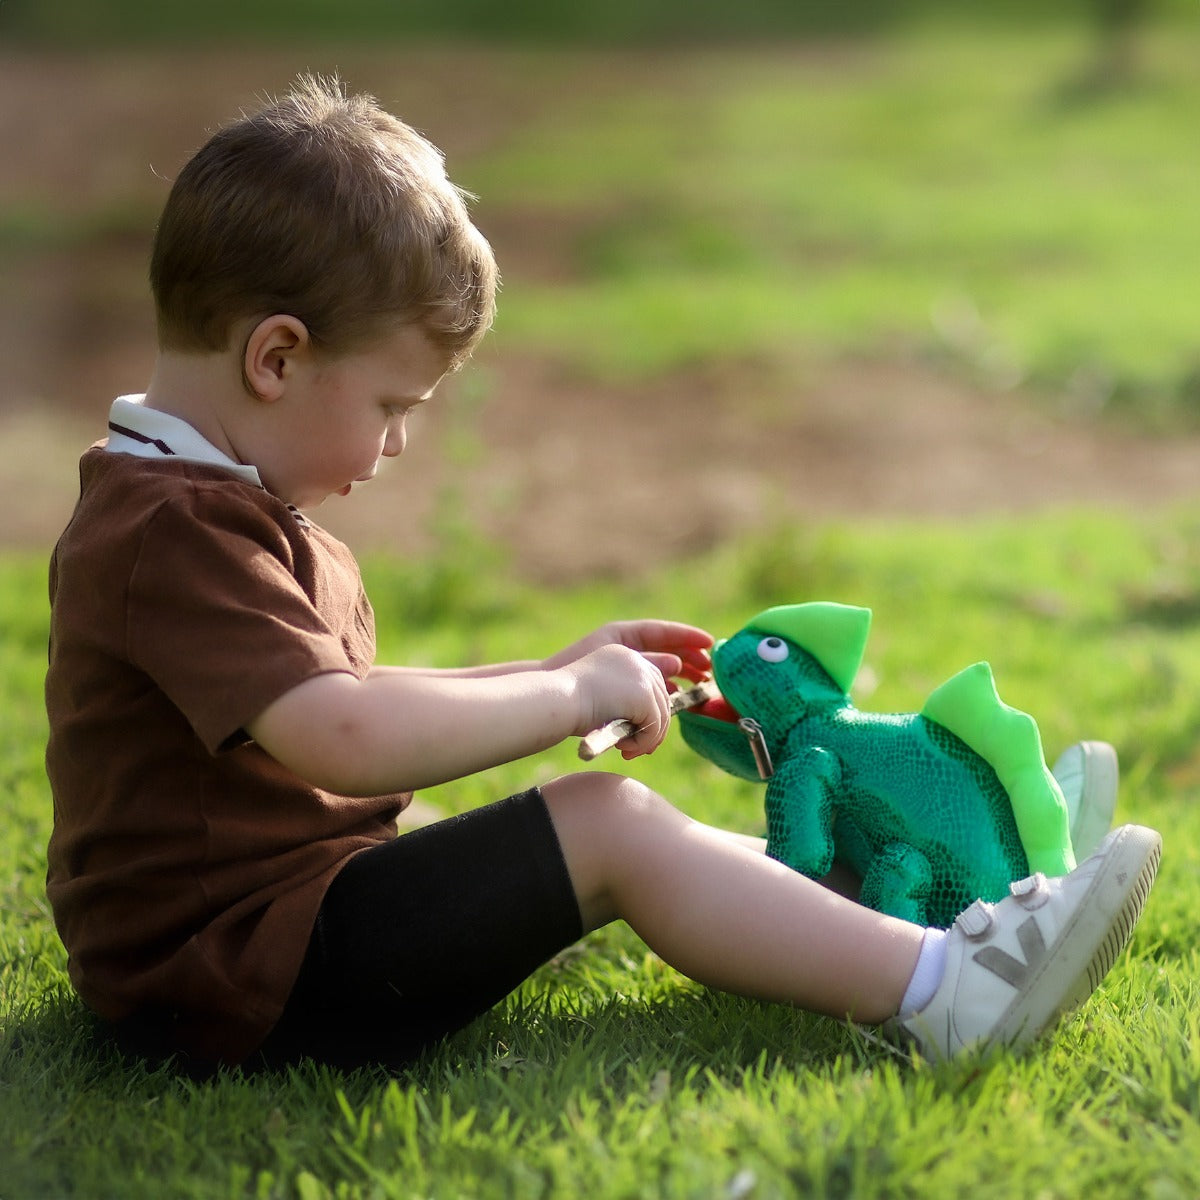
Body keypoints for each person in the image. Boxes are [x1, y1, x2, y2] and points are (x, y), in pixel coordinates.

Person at [44, 75, 1161, 1077]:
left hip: (275, 936)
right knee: (609, 826)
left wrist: (552, 664)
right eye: (392, 408)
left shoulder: (205, 503)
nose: (393, 449)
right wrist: (570, 700)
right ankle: (944, 990)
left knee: (621, 832)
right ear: (276, 357)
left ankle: (958, 912)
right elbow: (342, 732)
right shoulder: (173, 531)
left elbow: (351, 702)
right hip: (231, 975)